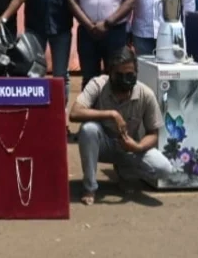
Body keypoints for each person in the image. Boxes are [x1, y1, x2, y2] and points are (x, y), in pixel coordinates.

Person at [69, 47, 173, 206]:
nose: (125, 79)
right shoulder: (98, 84)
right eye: (119, 75)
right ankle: (90, 187)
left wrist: (137, 147)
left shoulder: (146, 94)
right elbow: (75, 113)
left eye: (129, 75)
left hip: (129, 147)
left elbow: (154, 133)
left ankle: (125, 171)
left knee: (164, 169)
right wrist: (111, 114)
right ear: (110, 72)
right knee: (88, 129)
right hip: (102, 145)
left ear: (136, 73)